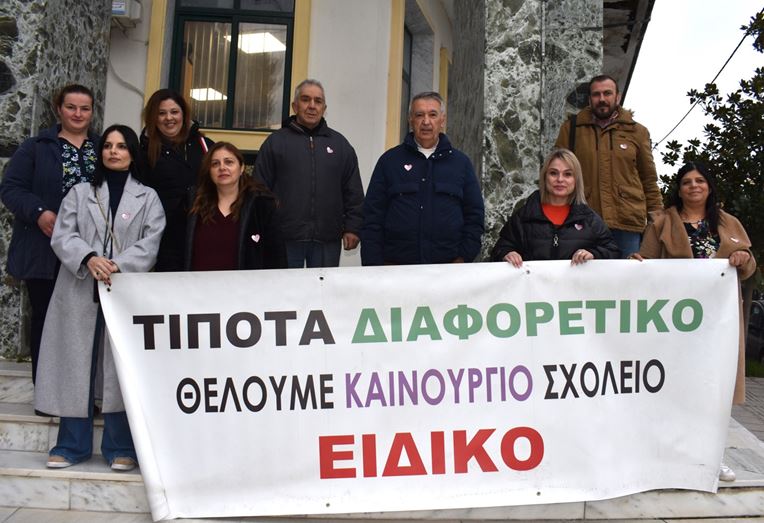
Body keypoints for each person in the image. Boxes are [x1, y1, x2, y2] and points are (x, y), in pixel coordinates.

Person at [35, 125, 165, 471]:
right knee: (75, 364)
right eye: (108, 145)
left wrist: (118, 265)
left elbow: (151, 242)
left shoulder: (148, 197)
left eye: (121, 146)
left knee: (119, 367)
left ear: (132, 154)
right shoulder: (80, 193)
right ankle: (70, 445)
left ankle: (120, 446)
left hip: (123, 292)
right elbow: (63, 235)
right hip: (79, 288)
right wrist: (90, 258)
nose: (113, 152)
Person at [632, 162, 756, 482]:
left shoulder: (728, 222)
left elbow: (749, 266)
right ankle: (666, 455)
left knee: (714, 388)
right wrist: (635, 264)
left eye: (700, 180)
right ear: (679, 188)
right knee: (673, 387)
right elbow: (645, 263)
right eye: (687, 181)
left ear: (709, 186)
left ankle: (713, 457)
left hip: (717, 325)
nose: (694, 186)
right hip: (674, 323)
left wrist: (743, 258)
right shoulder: (662, 222)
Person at [0, 84, 99, 384]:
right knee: (46, 317)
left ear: (92, 112)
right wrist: (39, 212)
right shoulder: (36, 147)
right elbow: (11, 188)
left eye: (84, 108)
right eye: (71, 107)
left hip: (90, 250)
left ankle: (81, 390)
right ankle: (45, 390)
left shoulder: (102, 147)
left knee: (83, 321)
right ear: (59, 109)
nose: (78, 114)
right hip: (45, 248)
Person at [361, 91, 484, 265]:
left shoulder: (461, 164)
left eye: (432, 115)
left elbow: (475, 216)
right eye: (419, 115)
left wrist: (463, 258)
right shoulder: (389, 161)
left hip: (448, 269)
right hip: (395, 268)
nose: (426, 121)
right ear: (410, 120)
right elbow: (372, 216)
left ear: (442, 120)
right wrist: (375, 265)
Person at [255, 79, 364, 268]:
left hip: (327, 239)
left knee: (323, 288)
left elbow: (353, 191)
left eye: (318, 101)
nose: (312, 106)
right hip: (284, 237)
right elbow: (259, 188)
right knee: (285, 287)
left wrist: (353, 228)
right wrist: (263, 228)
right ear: (295, 106)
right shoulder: (275, 143)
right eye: (305, 99)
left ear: (324, 108)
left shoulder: (340, 145)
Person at [554, 74, 662, 257]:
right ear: (590, 99)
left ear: (617, 97)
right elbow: (558, 175)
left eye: (607, 93)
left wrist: (657, 218)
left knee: (628, 273)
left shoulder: (637, 131)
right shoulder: (571, 129)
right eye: (596, 94)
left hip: (627, 223)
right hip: (585, 222)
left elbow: (649, 179)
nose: (602, 99)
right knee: (585, 273)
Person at [491, 148, 620, 265]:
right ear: (544, 177)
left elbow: (613, 251)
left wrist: (594, 254)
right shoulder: (524, 216)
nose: (560, 179)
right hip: (535, 284)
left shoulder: (589, 219)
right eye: (553, 173)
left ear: (576, 180)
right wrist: (507, 254)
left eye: (568, 174)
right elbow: (499, 249)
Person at [139, 88, 213, 271]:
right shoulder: (143, 152)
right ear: (153, 117)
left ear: (184, 114)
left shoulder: (205, 146)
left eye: (174, 112)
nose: (169, 118)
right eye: (161, 113)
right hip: (164, 238)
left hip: (203, 231)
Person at [185, 142, 287, 270]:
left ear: (242, 168)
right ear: (209, 171)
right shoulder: (191, 203)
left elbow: (276, 257)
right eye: (215, 164)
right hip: (196, 282)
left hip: (246, 283)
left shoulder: (262, 205)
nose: (222, 167)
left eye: (229, 162)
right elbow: (173, 251)